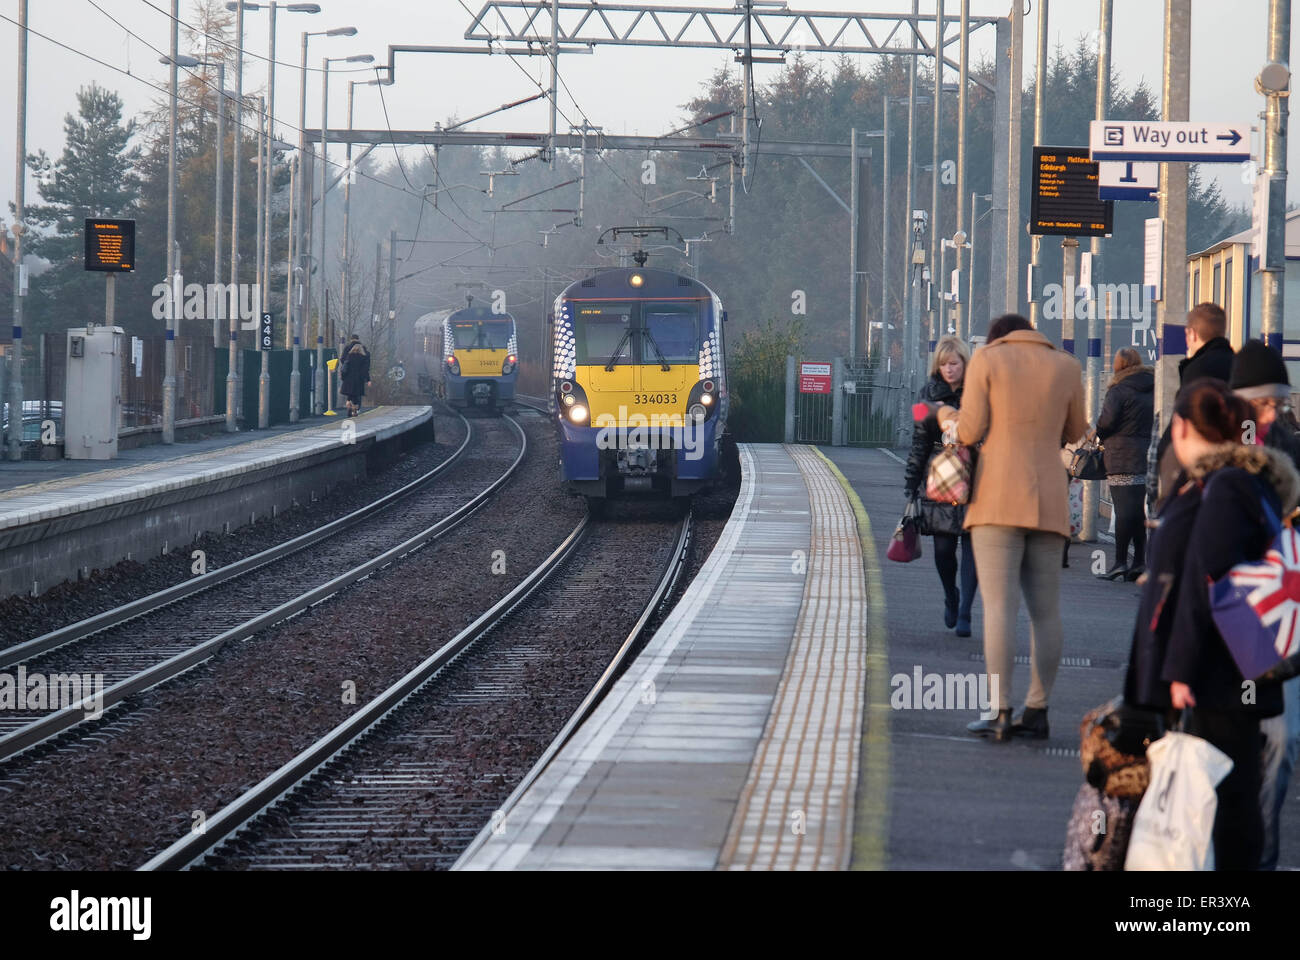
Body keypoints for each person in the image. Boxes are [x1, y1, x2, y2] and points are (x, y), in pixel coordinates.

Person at [1126, 377, 1292, 870]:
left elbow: (1206, 580)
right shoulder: (1233, 483)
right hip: (1231, 666)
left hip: (1217, 673)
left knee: (1222, 794)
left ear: (1180, 427)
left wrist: (1180, 671)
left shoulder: (1223, 488)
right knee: (1223, 789)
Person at [935, 314, 1087, 741]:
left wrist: (946, 414)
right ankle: (1037, 710)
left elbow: (969, 431)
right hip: (1049, 499)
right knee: (1046, 611)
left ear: (1000, 336)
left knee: (1000, 608)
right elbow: (1076, 431)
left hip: (998, 497)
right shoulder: (1067, 365)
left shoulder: (987, 358)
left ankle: (1000, 711)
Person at [1228, 340, 1300, 870]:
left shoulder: (1292, 450)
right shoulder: (1205, 443)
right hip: (1224, 617)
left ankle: (1260, 861)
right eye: (1263, 404)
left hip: (1280, 623)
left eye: (1280, 402)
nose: (1273, 414)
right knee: (1219, 750)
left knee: (1281, 744)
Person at [904, 336, 979, 637]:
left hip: (976, 476)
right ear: (938, 365)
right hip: (940, 479)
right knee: (944, 551)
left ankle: (965, 614)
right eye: (945, 364)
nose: (950, 369)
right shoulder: (925, 396)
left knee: (973, 548)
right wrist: (911, 484)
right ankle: (951, 595)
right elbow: (919, 442)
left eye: (955, 363)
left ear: (964, 364)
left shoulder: (978, 392)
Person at [1146, 303, 1235, 514]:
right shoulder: (1238, 365)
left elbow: (1180, 423)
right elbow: (1247, 422)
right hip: (1230, 471)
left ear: (1192, 334)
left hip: (1197, 473)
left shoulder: (1196, 370)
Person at [1095, 348, 1154, 581]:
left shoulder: (1118, 390)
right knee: (1137, 510)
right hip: (1146, 453)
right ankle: (1139, 561)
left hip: (1121, 456)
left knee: (1122, 511)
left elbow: (1106, 423)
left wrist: (1099, 431)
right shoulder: (1154, 386)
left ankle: (1120, 562)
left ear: (1119, 366)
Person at [340, 335, 371, 417]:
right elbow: (365, 370)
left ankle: (348, 405)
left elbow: (344, 367)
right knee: (357, 395)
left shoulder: (348, 356)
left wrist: (343, 377)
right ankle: (355, 410)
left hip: (348, 379)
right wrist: (367, 379)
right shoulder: (364, 357)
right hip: (359, 379)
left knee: (349, 394)